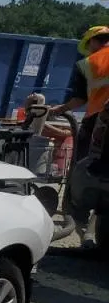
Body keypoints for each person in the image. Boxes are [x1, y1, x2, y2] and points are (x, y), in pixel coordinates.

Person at [49, 26, 109, 247]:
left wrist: (57, 110)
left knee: (84, 172)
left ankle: (80, 222)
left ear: (92, 42)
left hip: (99, 126)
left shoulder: (88, 64)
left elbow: (78, 100)